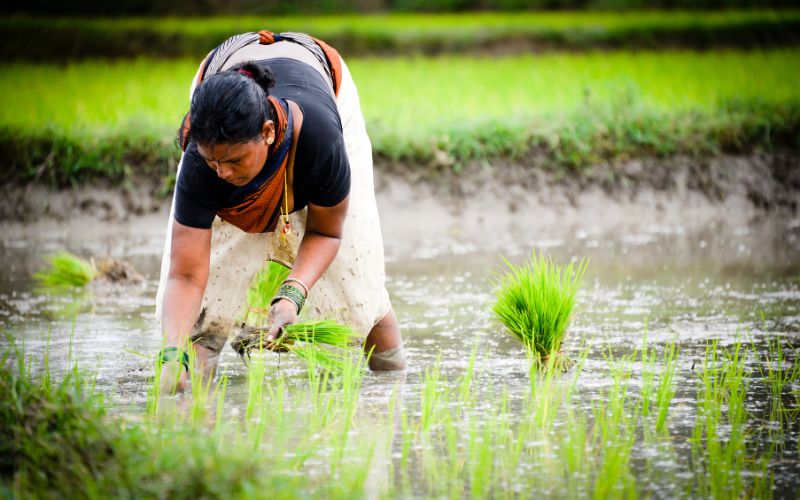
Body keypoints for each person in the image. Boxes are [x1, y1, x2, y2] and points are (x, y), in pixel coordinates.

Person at [155, 30, 406, 392]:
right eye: (214, 162)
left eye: (234, 160)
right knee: (204, 318)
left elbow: (327, 231)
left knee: (359, 290)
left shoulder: (322, 140)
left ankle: (395, 387)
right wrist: (170, 354)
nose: (222, 173)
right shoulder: (203, 157)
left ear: (269, 132)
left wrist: (293, 293)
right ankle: (191, 404)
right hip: (219, 81)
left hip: (324, 83)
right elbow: (185, 275)